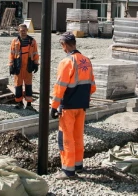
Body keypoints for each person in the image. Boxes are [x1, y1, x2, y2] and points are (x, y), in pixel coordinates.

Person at [50, 32, 96, 180]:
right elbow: (92, 87)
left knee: (66, 138)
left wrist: (53, 106)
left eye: (62, 46)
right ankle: (78, 165)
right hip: (81, 105)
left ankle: (68, 170)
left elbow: (59, 87)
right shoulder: (87, 61)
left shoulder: (66, 62)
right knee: (78, 136)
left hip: (68, 106)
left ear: (64, 45)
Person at [9, 23, 39, 110]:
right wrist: (11, 65)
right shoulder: (15, 42)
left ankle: (29, 104)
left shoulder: (32, 41)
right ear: (18, 31)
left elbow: (36, 53)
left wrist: (36, 64)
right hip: (18, 66)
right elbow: (11, 54)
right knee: (18, 85)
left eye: (25, 31)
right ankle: (19, 103)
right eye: (22, 31)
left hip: (28, 66)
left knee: (28, 85)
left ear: (27, 31)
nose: (23, 32)